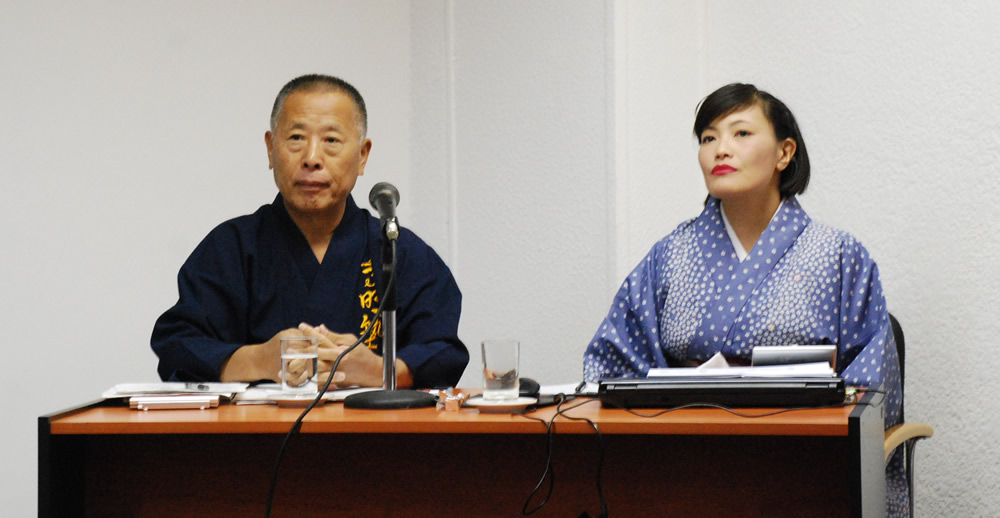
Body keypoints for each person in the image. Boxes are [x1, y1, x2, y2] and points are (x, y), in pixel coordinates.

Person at [582, 83, 907, 516]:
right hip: (681, 460)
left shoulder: (839, 255)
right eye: (708, 138)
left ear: (784, 153)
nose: (720, 149)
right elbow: (611, 365)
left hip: (803, 465)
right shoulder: (669, 255)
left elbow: (869, 391)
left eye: (741, 134)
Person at [152, 74, 468, 389]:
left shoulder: (400, 252)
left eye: (331, 140)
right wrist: (257, 360)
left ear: (362, 155)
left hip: (372, 435)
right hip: (254, 435)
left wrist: (379, 370)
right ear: (270, 149)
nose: (312, 158)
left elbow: (442, 351)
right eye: (296, 138)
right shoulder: (231, 247)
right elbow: (178, 345)